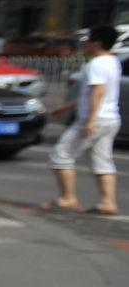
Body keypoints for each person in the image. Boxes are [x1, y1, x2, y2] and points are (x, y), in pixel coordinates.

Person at [45, 25, 121, 216]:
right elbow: (94, 93)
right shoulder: (114, 61)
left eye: (88, 40)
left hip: (95, 118)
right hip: (111, 118)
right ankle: (108, 202)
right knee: (103, 161)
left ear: (97, 43)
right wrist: (67, 106)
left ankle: (67, 198)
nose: (85, 44)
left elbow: (98, 92)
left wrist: (90, 120)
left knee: (61, 155)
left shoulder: (96, 64)